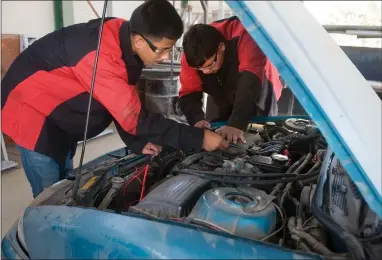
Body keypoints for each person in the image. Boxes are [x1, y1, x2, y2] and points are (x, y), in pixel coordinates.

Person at [1, 0, 227, 198]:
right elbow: (135, 118)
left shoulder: (123, 35)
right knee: (50, 196)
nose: (166, 57)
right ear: (140, 41)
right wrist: (198, 138)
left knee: (64, 184)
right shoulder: (103, 57)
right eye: (162, 50)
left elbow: (121, 100)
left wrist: (136, 142)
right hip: (31, 113)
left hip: (59, 117)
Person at [179, 16, 283, 144]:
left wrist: (236, 124)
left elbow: (250, 81)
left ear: (221, 47)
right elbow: (189, 92)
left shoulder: (245, 33)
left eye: (209, 65)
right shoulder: (192, 55)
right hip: (220, 91)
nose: (205, 72)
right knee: (215, 132)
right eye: (200, 69)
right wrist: (197, 120)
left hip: (258, 85)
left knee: (263, 136)